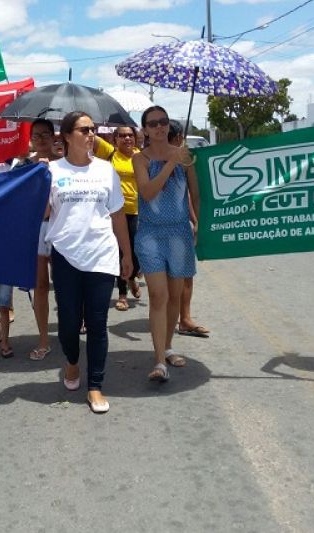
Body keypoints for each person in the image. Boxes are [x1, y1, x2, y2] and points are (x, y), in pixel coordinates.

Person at [46, 111, 132, 414]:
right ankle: (71, 362)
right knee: (69, 324)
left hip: (101, 255)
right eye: (84, 130)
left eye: (93, 129)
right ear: (67, 136)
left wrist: (126, 254)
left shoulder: (106, 170)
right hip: (66, 256)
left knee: (98, 324)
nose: (91, 134)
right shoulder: (52, 171)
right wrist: (36, 180)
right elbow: (43, 214)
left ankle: (95, 385)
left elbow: (118, 214)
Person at [132, 106, 196, 382]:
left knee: (174, 295)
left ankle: (167, 346)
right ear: (145, 129)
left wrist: (200, 224)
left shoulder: (186, 157)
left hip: (179, 233)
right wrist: (171, 162)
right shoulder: (140, 159)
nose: (160, 126)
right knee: (158, 295)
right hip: (150, 234)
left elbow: (196, 193)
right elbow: (147, 193)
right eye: (153, 123)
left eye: (164, 121)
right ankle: (159, 362)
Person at [14, 118, 61, 359]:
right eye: (36, 135)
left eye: (45, 134)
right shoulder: (23, 166)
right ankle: (43, 339)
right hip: (37, 229)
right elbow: (13, 197)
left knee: (66, 284)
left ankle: (72, 327)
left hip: (64, 230)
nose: (41, 139)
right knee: (40, 285)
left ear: (55, 137)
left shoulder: (67, 164)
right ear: (30, 138)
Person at [167, 120, 210, 338]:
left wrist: (196, 221)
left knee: (186, 275)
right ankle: (166, 323)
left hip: (182, 226)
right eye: (179, 138)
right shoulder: (149, 160)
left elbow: (193, 195)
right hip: (157, 229)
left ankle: (185, 319)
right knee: (166, 280)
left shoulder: (187, 163)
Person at [94, 125, 142, 311]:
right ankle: (122, 295)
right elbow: (95, 139)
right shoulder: (111, 153)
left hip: (138, 211)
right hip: (115, 211)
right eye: (122, 135)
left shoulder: (141, 156)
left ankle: (131, 277)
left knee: (136, 252)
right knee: (120, 253)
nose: (127, 138)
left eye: (130, 135)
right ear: (115, 139)